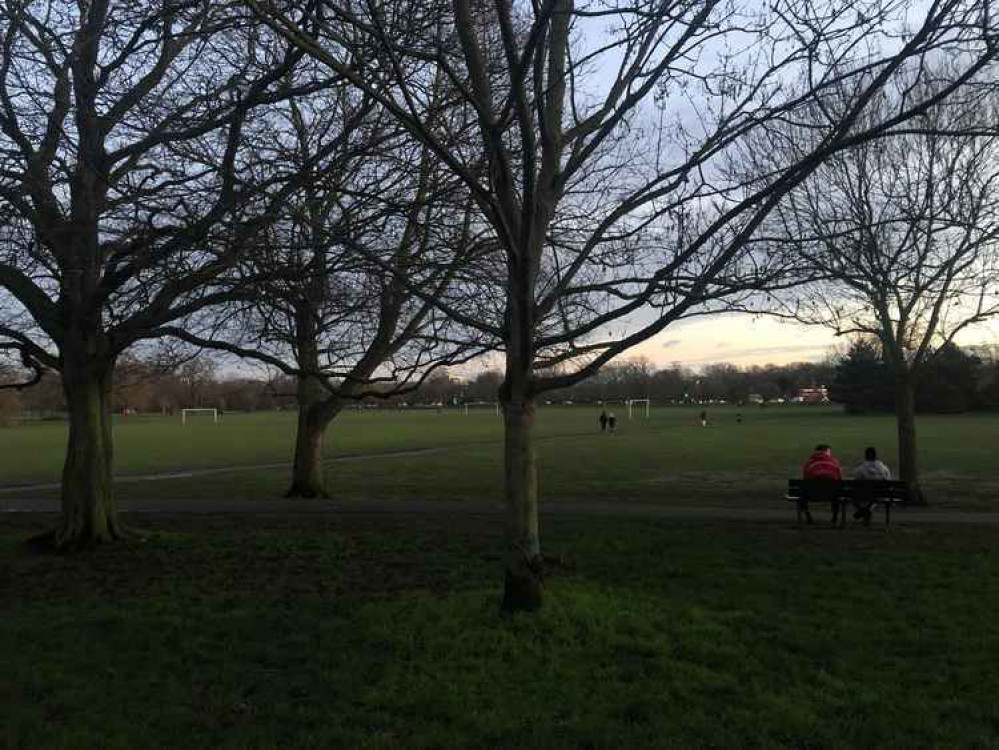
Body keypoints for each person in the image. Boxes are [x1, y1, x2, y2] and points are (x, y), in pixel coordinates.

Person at [800, 444, 842, 524]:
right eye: (829, 451)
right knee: (836, 488)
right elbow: (839, 479)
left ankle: (807, 514)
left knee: (802, 490)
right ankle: (835, 516)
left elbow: (805, 479)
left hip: (811, 494)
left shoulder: (808, 463)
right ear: (826, 451)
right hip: (832, 494)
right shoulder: (835, 462)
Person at [852, 446, 891, 524]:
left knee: (853, 494)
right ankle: (867, 510)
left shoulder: (861, 469)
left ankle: (863, 510)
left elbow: (855, 478)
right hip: (881, 494)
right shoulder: (883, 468)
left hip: (864, 494)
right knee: (874, 496)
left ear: (865, 456)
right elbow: (888, 479)